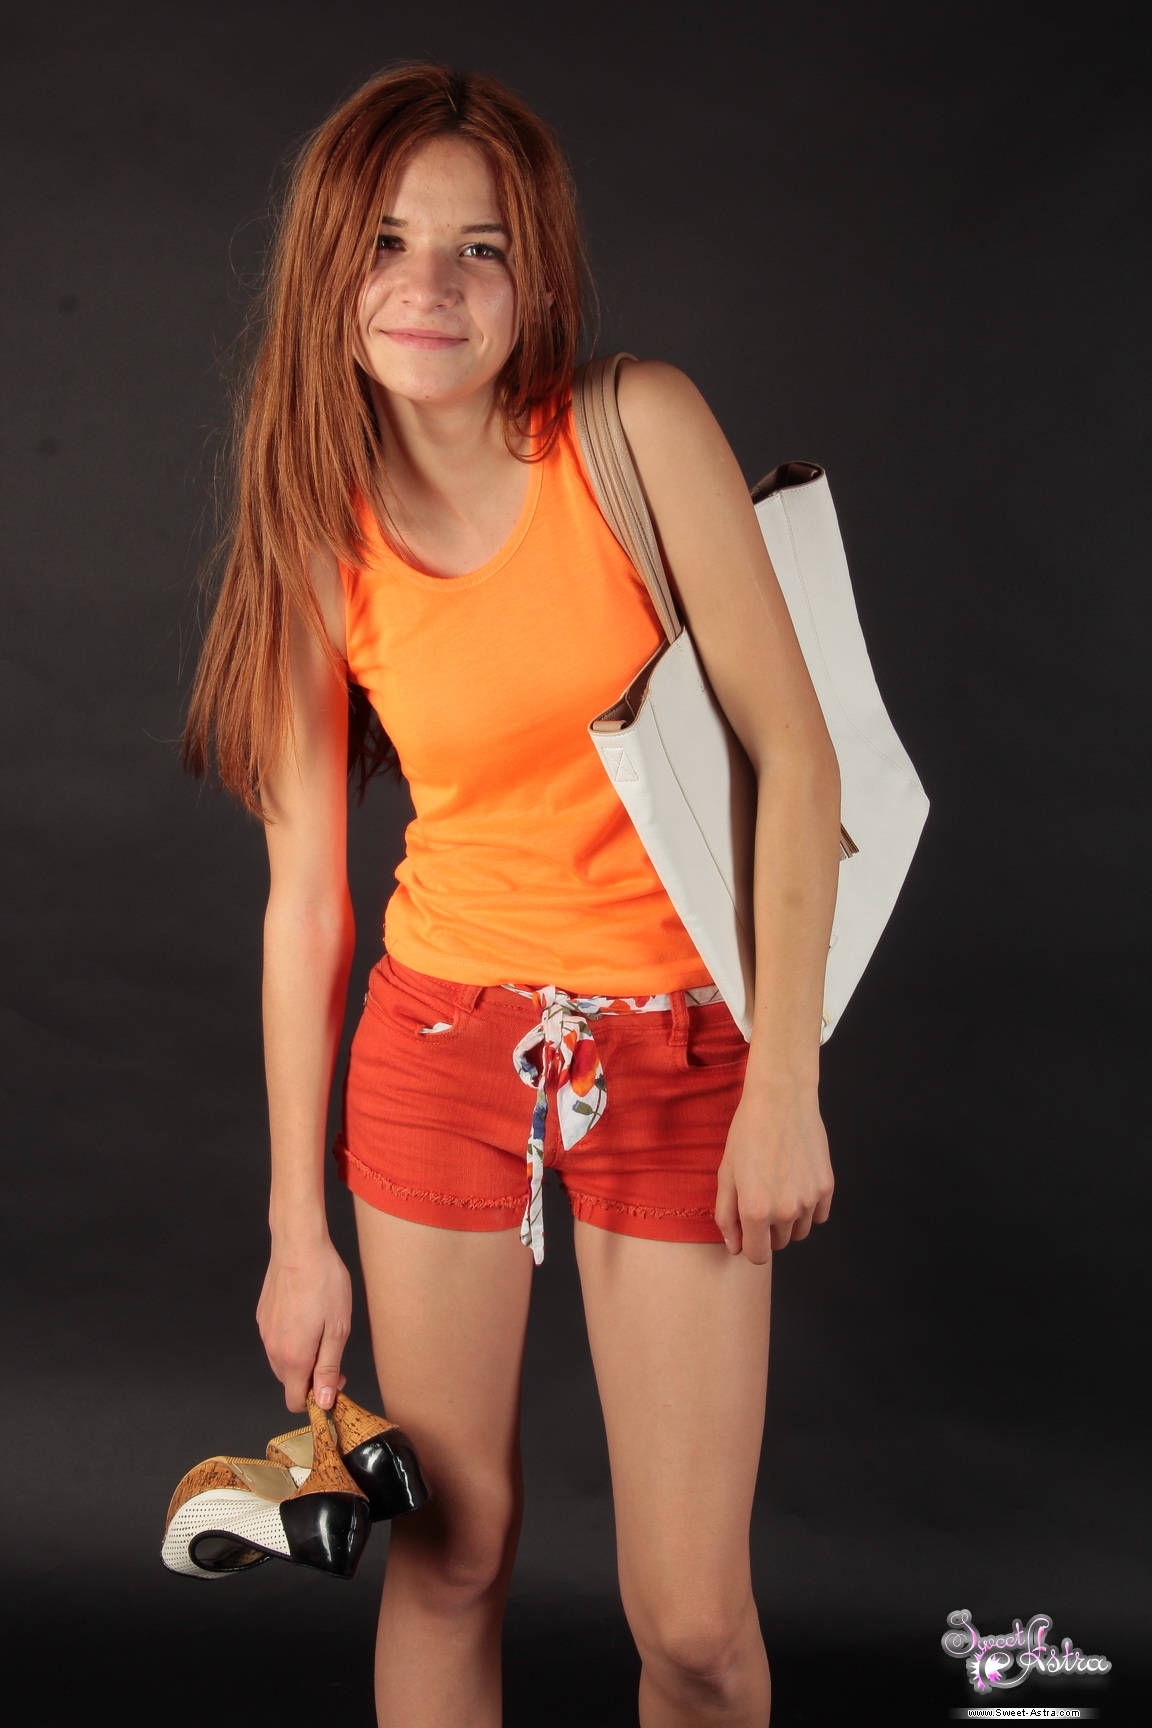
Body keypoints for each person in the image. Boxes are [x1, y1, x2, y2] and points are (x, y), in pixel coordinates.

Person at [185, 63, 840, 1728]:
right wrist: (296, 1237)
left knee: (694, 1627)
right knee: (451, 1555)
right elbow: (305, 906)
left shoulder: (633, 431)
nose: (431, 285)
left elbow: (799, 759)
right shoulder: (316, 525)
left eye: (479, 249)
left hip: (680, 1049)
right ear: (329, 268)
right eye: (388, 242)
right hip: (442, 1046)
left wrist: (785, 1082)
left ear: (534, 278)